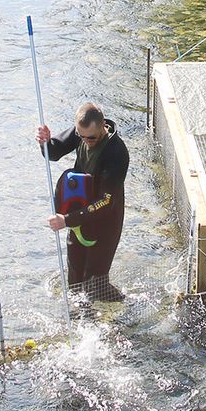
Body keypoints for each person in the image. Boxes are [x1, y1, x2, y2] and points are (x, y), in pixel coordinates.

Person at [35, 102, 130, 301]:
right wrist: (44, 142)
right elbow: (52, 153)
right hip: (79, 215)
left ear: (103, 125)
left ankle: (122, 308)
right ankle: (82, 323)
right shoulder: (82, 132)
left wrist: (66, 220)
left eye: (92, 138)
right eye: (82, 137)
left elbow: (106, 202)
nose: (86, 141)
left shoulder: (117, 152)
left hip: (105, 221)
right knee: (75, 282)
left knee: (96, 285)